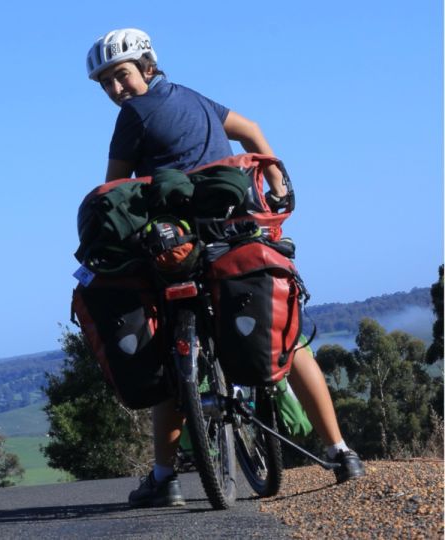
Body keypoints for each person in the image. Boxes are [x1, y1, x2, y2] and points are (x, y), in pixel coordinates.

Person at [85, 28, 364, 508]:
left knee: (169, 347)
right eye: (106, 82)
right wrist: (277, 177)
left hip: (183, 245)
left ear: (147, 67)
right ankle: (341, 453)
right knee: (290, 341)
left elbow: (114, 188)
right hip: (237, 233)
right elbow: (252, 129)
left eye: (122, 75)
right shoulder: (193, 98)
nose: (116, 89)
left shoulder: (133, 114)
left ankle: (165, 477)